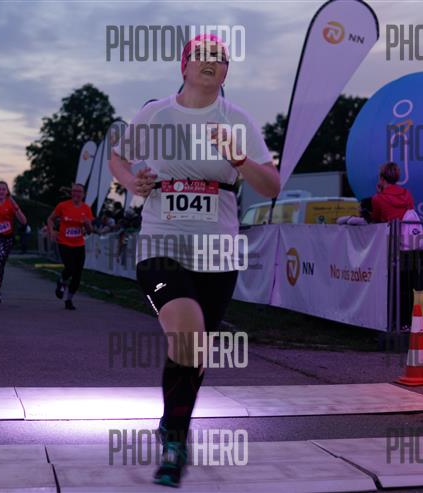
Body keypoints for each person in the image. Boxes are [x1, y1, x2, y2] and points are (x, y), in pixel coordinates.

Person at [109, 33, 278, 487]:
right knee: (186, 335)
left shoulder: (237, 120)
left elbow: (271, 186)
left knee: (195, 353)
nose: (211, 61)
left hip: (217, 253)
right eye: (202, 55)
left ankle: (171, 420)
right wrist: (132, 182)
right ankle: (175, 446)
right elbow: (119, 158)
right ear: (183, 66)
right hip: (162, 245)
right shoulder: (156, 114)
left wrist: (239, 159)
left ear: (225, 72)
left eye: (220, 58)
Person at [370, 162, 417, 329]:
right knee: (406, 286)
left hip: (389, 247)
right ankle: (406, 323)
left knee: (389, 285)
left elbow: (376, 220)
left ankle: (390, 321)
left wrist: (379, 192)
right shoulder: (407, 195)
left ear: (382, 178)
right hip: (408, 246)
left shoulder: (378, 199)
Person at [47, 183, 93, 310]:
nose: (77, 194)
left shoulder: (86, 209)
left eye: (79, 192)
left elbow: (90, 231)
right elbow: (50, 219)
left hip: (79, 245)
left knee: (77, 274)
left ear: (83, 194)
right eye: (75, 191)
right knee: (70, 268)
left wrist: (87, 224)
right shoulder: (63, 206)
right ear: (71, 193)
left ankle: (69, 299)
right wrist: (52, 231)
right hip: (64, 243)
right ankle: (61, 281)